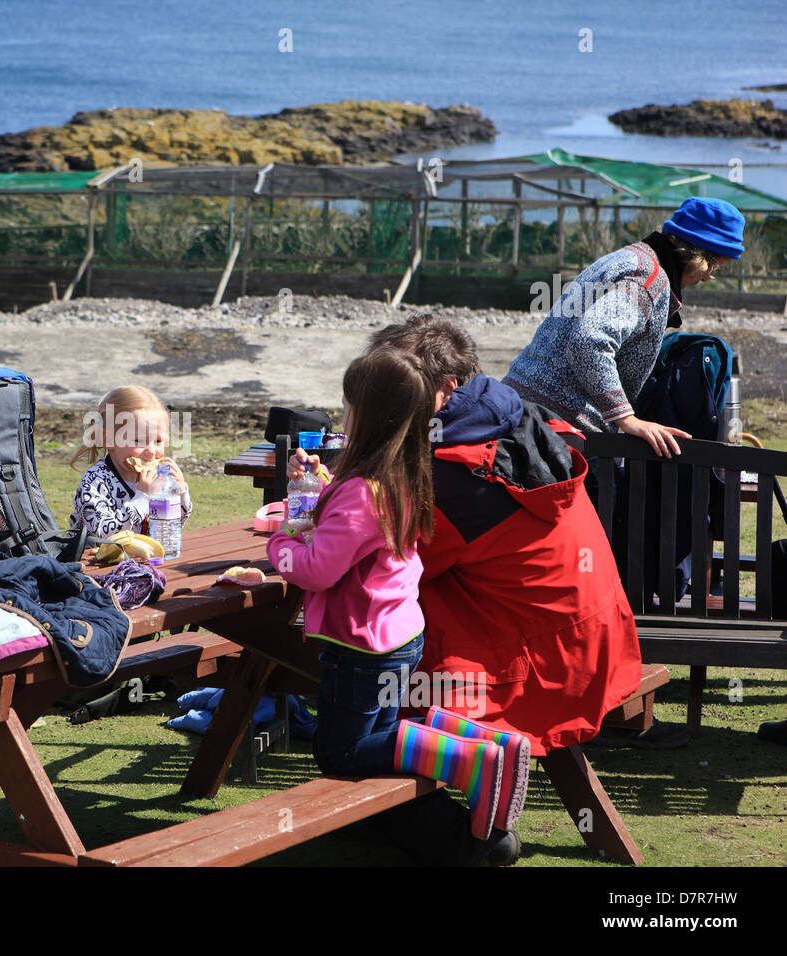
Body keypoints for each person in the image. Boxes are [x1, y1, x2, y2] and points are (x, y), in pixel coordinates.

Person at [267, 349, 531, 841]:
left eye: (349, 406)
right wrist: (321, 485)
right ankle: (493, 744)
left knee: (341, 751)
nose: (343, 415)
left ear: (367, 416)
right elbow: (359, 531)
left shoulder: (361, 490)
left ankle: (475, 759)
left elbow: (319, 570)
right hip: (397, 634)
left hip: (360, 645)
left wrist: (281, 539)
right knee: (384, 734)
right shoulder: (401, 472)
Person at [504, 196, 745, 458]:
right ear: (697, 256)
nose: (708, 276)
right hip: (555, 430)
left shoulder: (630, 258)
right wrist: (626, 418)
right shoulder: (647, 279)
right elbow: (589, 341)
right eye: (713, 266)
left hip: (520, 407)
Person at [70, 385, 192, 538]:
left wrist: (179, 493)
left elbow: (170, 529)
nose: (151, 451)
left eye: (158, 441)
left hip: (139, 558)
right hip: (92, 558)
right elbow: (101, 532)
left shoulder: (157, 479)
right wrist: (142, 497)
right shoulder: (95, 480)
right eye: (139, 441)